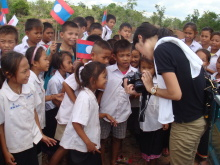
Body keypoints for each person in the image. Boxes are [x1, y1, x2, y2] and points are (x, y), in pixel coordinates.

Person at [125, 22, 206, 165]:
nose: (143, 54)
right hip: (195, 119)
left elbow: (175, 93)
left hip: (186, 124)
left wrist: (151, 88)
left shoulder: (161, 50)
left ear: (141, 38)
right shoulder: (171, 46)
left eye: (139, 49)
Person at [49, 40, 112, 165]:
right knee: (65, 146)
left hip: (79, 114)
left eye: (108, 58)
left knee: (69, 146)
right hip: (69, 115)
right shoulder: (85, 70)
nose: (106, 61)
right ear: (93, 55)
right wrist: (76, 102)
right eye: (104, 58)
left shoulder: (93, 79)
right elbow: (66, 84)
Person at [0, 51, 56, 165]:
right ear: (9, 74)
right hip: (15, 148)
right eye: (24, 71)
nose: (28, 74)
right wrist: (5, 152)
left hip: (31, 142)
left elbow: (34, 111)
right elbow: (1, 126)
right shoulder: (3, 96)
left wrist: (40, 134)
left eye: (28, 69)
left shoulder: (30, 87)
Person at [59, 62, 116, 165]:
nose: (106, 80)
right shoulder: (84, 98)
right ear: (93, 80)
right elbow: (76, 123)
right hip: (83, 148)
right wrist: (88, 143)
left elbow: (87, 116)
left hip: (89, 145)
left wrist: (104, 115)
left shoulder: (89, 95)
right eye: (104, 77)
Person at [100, 39, 137, 165]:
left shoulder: (135, 73)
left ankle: (113, 161)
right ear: (114, 56)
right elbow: (100, 91)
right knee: (102, 139)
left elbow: (136, 94)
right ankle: (101, 161)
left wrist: (133, 94)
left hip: (123, 113)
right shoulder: (107, 71)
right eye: (122, 55)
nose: (126, 58)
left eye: (128, 55)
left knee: (118, 139)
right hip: (106, 111)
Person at [25, 46, 64, 165]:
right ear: (35, 63)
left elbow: (38, 98)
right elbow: (31, 106)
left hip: (38, 125)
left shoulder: (38, 78)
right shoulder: (30, 81)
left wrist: (52, 97)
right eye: (45, 59)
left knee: (38, 152)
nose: (48, 61)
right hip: (32, 127)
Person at [138, 57, 169, 165]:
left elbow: (166, 100)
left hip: (158, 119)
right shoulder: (139, 80)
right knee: (145, 140)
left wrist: (166, 119)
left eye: (149, 68)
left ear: (155, 68)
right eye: (143, 67)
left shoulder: (160, 81)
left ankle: (154, 161)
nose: (146, 71)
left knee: (156, 142)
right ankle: (147, 160)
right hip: (145, 118)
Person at [43, 51, 73, 157]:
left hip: (62, 110)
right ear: (60, 65)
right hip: (53, 111)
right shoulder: (54, 80)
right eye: (69, 63)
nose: (71, 65)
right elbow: (56, 100)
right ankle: (52, 154)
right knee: (54, 134)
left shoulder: (68, 76)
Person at [44, 21, 79, 89]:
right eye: (70, 34)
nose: (74, 37)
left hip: (68, 88)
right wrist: (51, 54)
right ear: (62, 34)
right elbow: (45, 67)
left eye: (76, 34)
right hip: (51, 87)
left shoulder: (76, 52)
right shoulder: (54, 48)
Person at [195, 49, 211, 165]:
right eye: (196, 58)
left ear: (207, 63)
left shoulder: (208, 79)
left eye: (203, 60)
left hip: (202, 113)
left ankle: (201, 156)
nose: (199, 61)